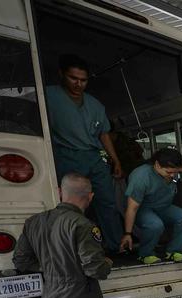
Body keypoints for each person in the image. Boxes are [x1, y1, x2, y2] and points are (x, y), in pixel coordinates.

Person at [45, 54, 124, 253]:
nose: (78, 84)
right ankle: (65, 248)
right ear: (61, 74)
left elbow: (104, 134)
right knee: (69, 205)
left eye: (83, 80)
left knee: (106, 201)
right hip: (64, 155)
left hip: (92, 157)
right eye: (73, 78)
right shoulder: (48, 95)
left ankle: (115, 245)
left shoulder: (95, 105)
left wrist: (115, 160)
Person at [119, 148, 182, 264]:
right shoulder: (141, 177)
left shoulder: (171, 169)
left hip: (163, 207)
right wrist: (128, 233)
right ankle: (145, 254)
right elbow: (132, 208)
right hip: (143, 209)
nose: (172, 175)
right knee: (155, 225)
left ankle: (173, 251)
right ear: (157, 164)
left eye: (175, 172)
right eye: (169, 172)